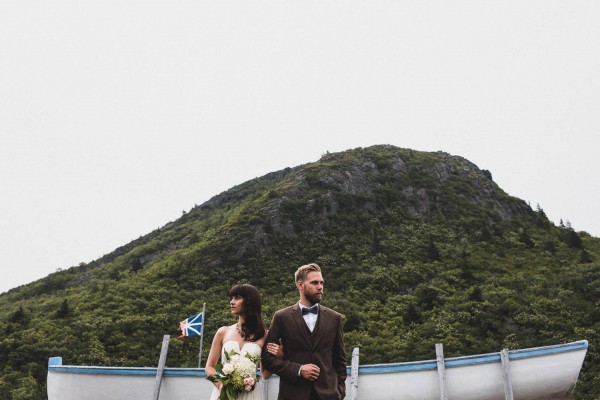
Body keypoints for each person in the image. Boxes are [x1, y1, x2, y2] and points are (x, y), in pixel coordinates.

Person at [261, 263, 347, 400]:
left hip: (328, 395)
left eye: (321, 283)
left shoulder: (334, 318)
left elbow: (340, 360)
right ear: (300, 285)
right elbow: (266, 358)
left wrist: (339, 392)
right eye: (314, 283)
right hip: (292, 394)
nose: (320, 287)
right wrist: (298, 370)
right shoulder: (281, 317)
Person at [206, 284, 282, 400]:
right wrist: (220, 385)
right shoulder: (223, 332)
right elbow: (209, 367)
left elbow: (265, 374)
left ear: (249, 301)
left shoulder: (264, 335)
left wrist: (279, 356)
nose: (231, 302)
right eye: (232, 298)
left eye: (237, 297)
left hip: (250, 394)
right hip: (224, 394)